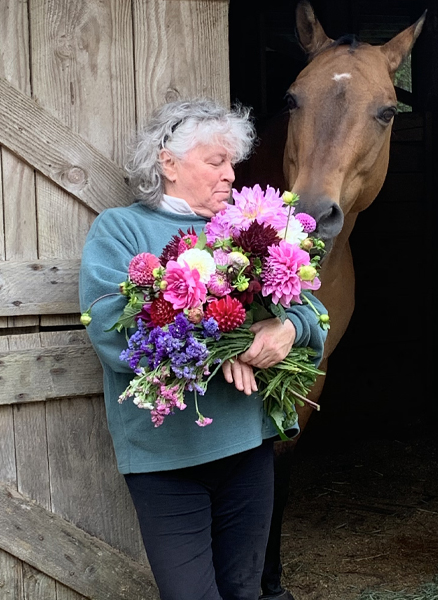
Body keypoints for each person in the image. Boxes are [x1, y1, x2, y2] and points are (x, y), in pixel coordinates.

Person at [79, 98, 328, 600]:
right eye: (217, 162)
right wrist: (224, 345)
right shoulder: (121, 230)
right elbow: (111, 330)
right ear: (167, 162)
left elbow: (314, 315)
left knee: (245, 591)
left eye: (232, 163)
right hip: (166, 463)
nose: (231, 175)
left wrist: (287, 331)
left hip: (247, 447)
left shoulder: (249, 230)